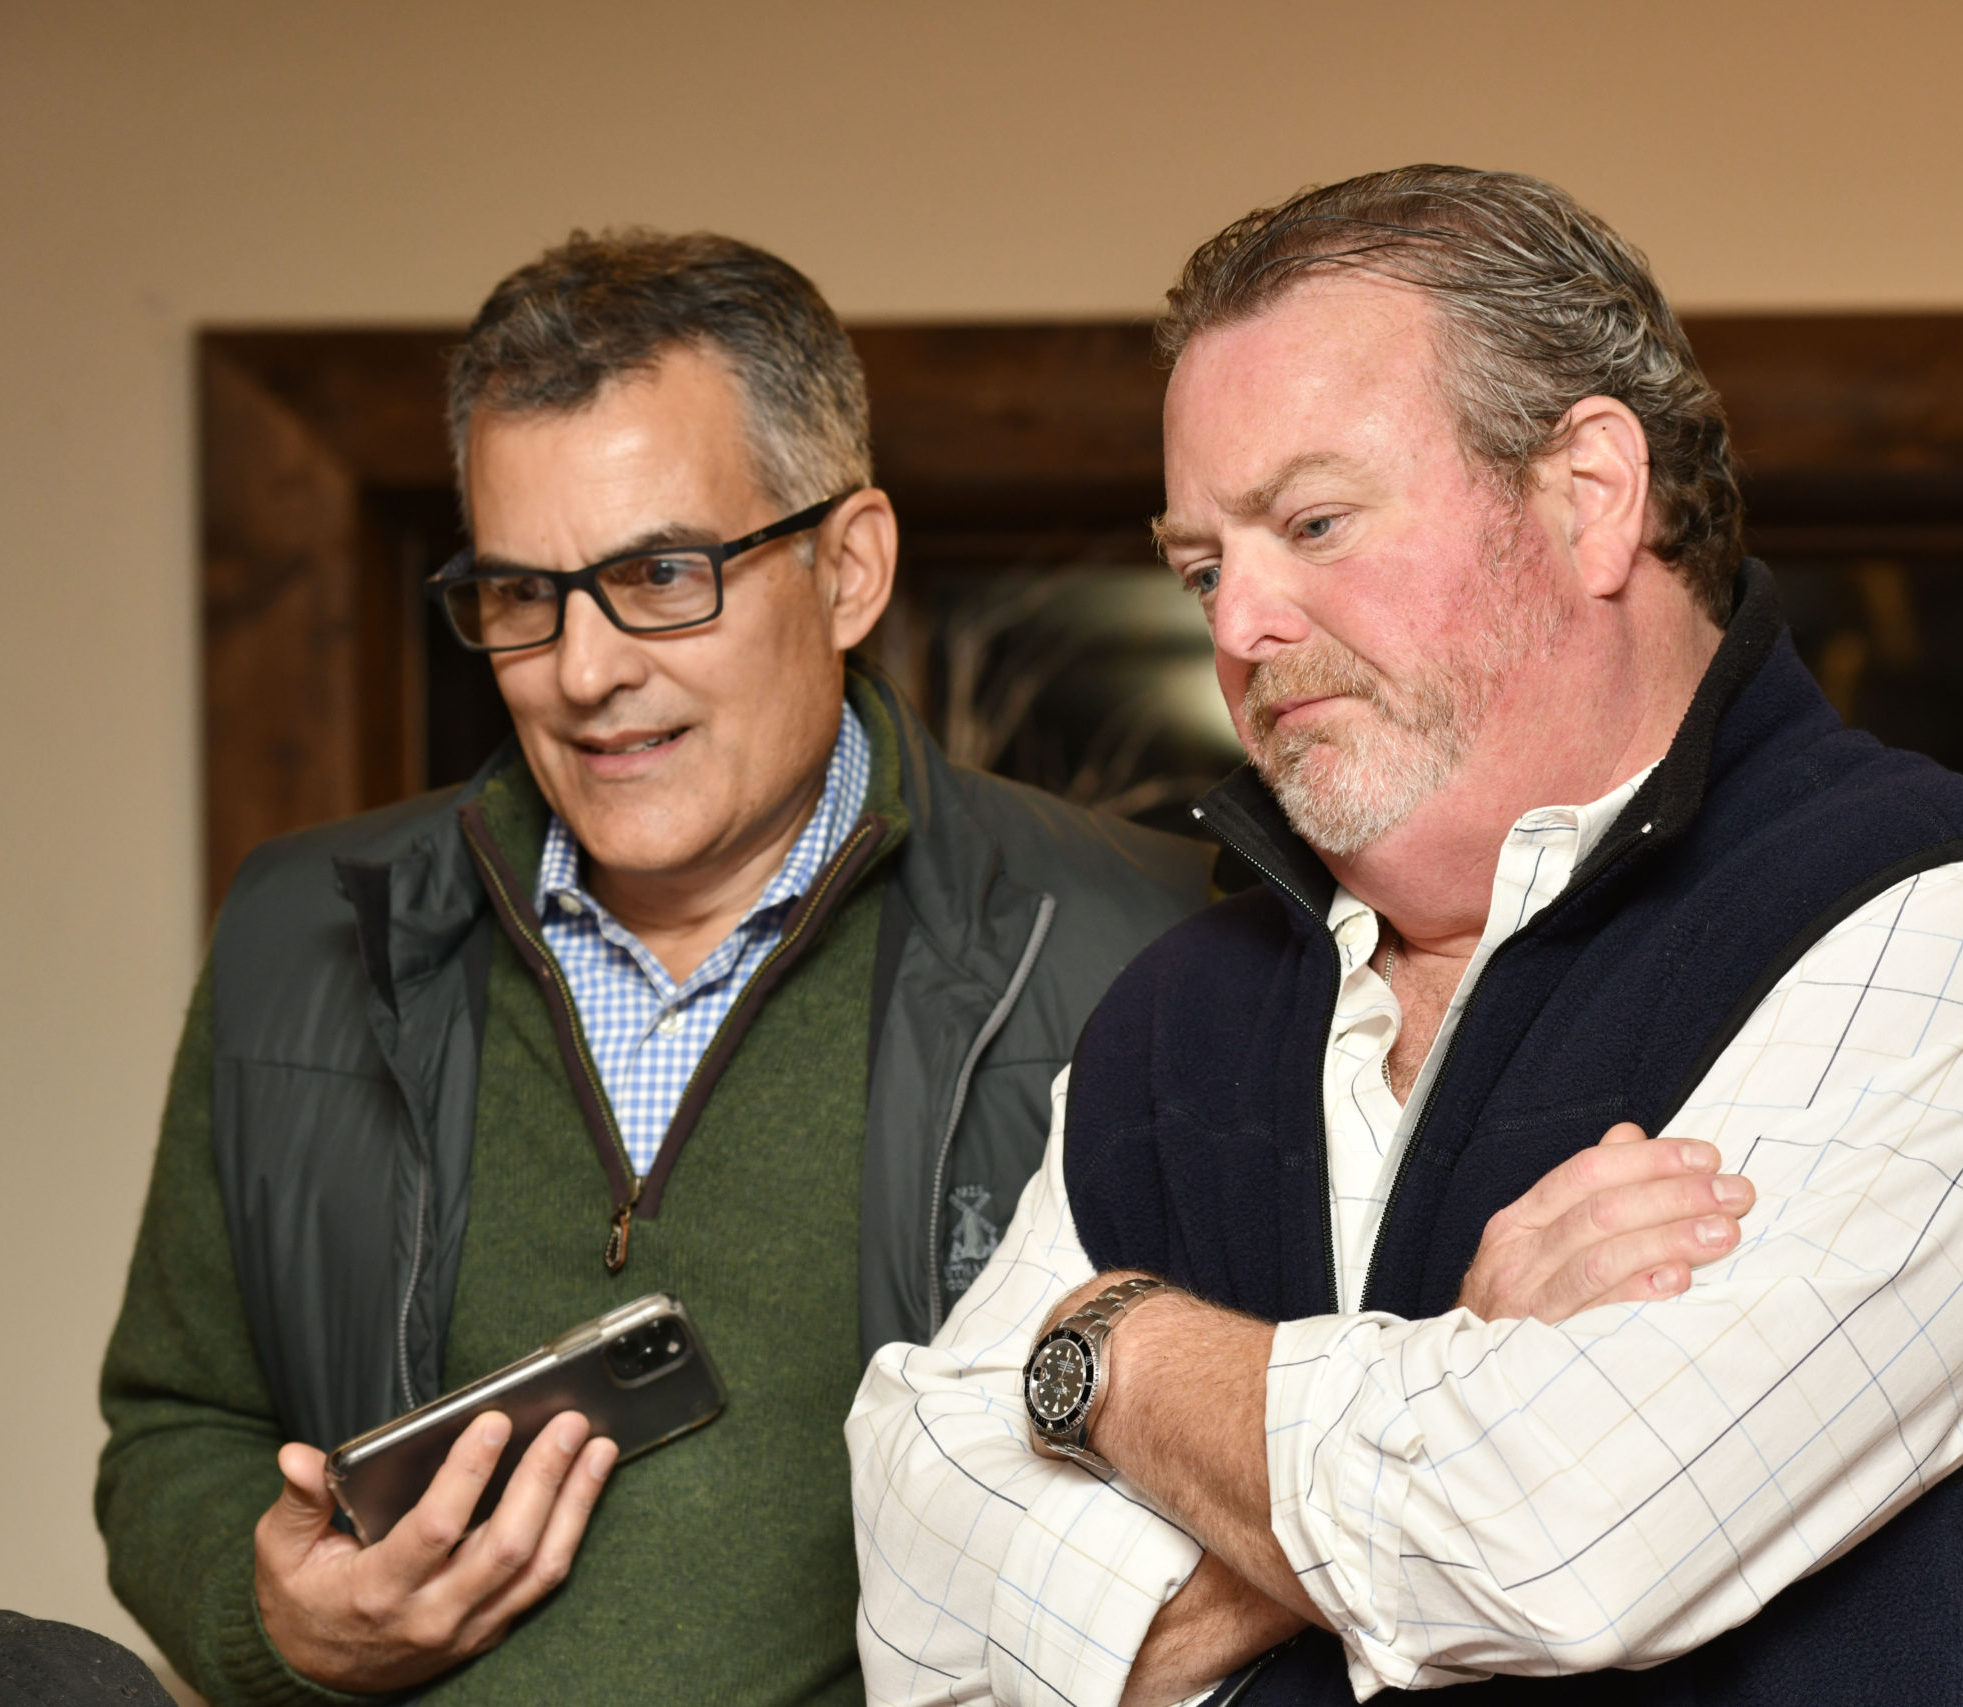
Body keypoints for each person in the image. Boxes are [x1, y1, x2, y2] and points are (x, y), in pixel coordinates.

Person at [848, 167, 1963, 1707]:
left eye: (1314, 521)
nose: (1237, 625)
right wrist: (1458, 1371)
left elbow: (1554, 1546)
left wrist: (1115, 1352)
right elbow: (922, 1624)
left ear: (1588, 496)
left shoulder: (1946, 937)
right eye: (1203, 566)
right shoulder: (1180, 1014)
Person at [98, 229, 1215, 1706]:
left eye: (662, 575)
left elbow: (1277, 1481)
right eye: (519, 594)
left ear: (850, 565)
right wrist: (282, 1626)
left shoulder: (1144, 945)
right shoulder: (298, 934)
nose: (582, 668)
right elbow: (176, 1424)